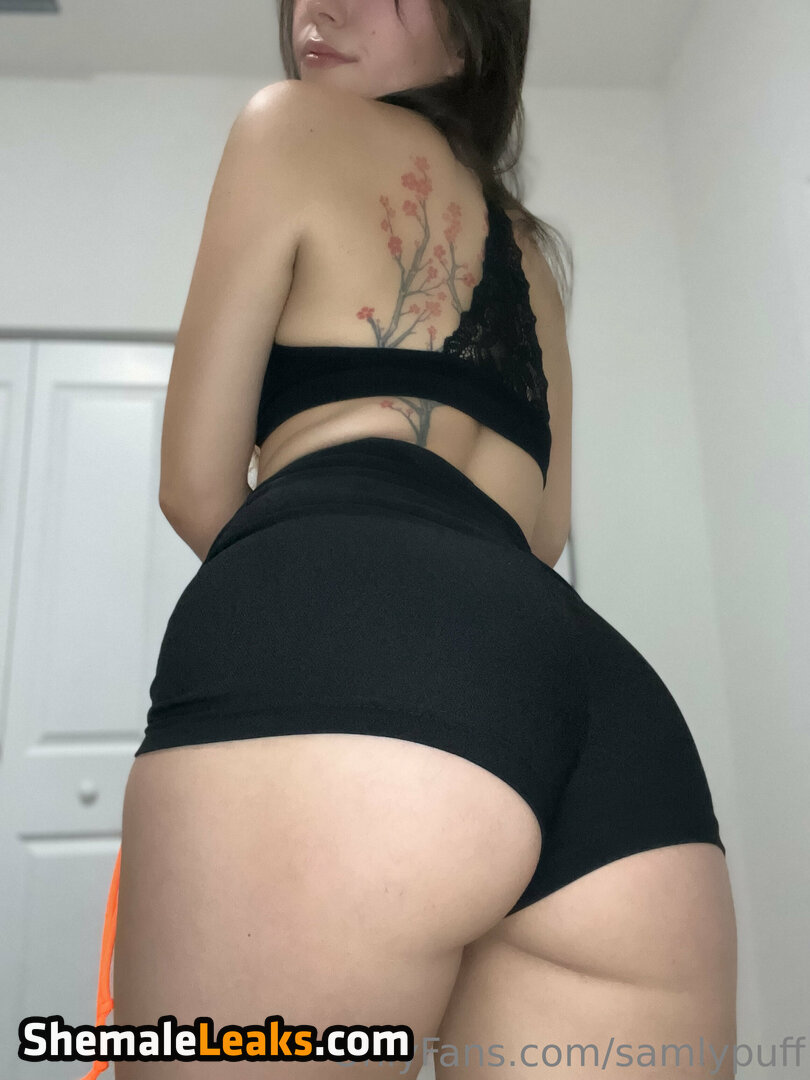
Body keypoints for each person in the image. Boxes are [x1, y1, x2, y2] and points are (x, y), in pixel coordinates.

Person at [79, 1, 737, 1077]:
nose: (319, 8)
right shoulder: (535, 256)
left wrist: (329, 619)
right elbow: (544, 532)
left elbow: (196, 486)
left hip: (348, 622)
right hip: (604, 713)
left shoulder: (288, 125)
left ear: (473, 34)